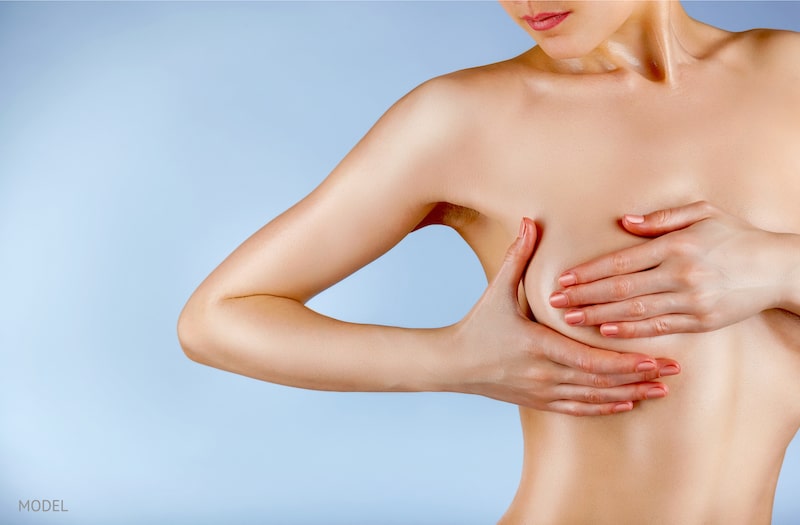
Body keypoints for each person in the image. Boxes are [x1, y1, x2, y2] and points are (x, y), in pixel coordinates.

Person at [177, 1, 800, 522]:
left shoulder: (789, 76)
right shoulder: (466, 118)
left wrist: (775, 265)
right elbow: (216, 318)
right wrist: (452, 360)